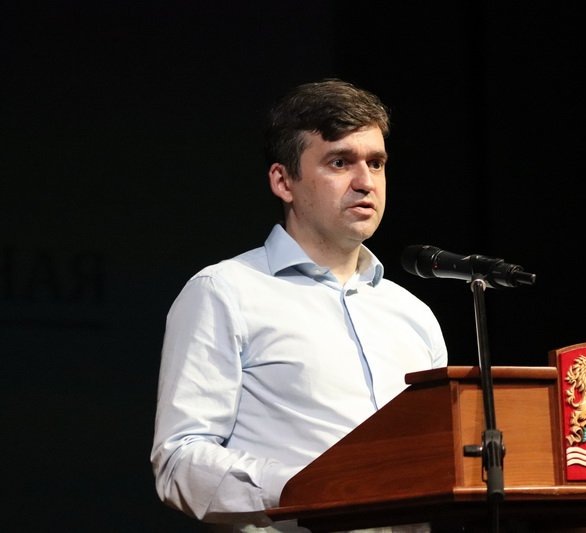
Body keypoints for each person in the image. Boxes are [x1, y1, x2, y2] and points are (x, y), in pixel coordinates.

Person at [150, 79, 448, 532]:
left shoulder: (413, 315)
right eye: (339, 162)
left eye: (376, 163)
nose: (365, 182)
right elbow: (180, 460)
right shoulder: (225, 292)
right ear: (283, 181)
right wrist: (309, 487)